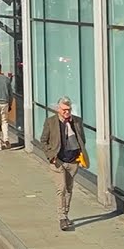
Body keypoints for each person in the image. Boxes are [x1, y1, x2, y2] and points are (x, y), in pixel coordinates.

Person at [39, 96, 87, 231]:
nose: (67, 112)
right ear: (58, 109)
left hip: (73, 161)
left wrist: (80, 156)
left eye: (69, 109)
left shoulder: (77, 121)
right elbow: (43, 140)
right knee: (61, 188)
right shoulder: (51, 122)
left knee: (69, 189)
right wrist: (51, 156)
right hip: (58, 161)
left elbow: (81, 139)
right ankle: (62, 218)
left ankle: (66, 214)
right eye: (64, 110)